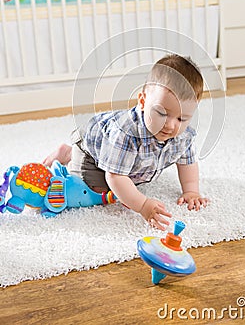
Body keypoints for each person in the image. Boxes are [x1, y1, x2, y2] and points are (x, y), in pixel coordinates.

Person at [43, 54, 209, 230]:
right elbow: (115, 176)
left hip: (121, 159)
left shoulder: (183, 136)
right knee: (98, 193)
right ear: (143, 101)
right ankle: (70, 152)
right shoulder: (126, 134)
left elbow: (188, 164)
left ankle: (70, 152)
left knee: (126, 184)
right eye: (161, 113)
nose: (170, 125)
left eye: (182, 118)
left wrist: (191, 190)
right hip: (91, 152)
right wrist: (142, 205)